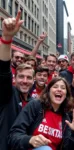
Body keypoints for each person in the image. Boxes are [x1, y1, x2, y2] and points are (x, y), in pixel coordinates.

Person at [8, 77, 74, 150]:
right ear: (48, 91)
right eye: (55, 87)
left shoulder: (65, 118)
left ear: (66, 94)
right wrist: (30, 140)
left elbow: (67, 148)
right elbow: (14, 135)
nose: (59, 89)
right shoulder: (35, 105)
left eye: (63, 88)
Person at [0, 11, 35, 150]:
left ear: (34, 81)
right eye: (21, 77)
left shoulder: (35, 103)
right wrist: (7, 38)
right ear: (15, 78)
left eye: (29, 77)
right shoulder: (8, 94)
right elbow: (3, 71)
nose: (25, 81)